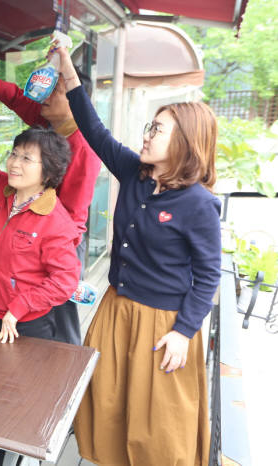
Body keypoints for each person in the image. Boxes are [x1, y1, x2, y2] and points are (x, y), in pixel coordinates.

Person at [52, 43, 221, 465]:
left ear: (184, 142)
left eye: (157, 130)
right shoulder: (134, 172)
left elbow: (208, 275)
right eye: (149, 126)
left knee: (158, 429)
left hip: (163, 323)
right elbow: (93, 130)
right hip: (116, 311)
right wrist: (69, 72)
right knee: (108, 408)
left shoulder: (199, 204)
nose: (146, 135)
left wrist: (184, 332)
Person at [0, 68, 101, 346]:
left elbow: (72, 218)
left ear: (77, 101)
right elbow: (18, 99)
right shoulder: (51, 125)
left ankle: (62, 371)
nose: (45, 97)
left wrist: (46, 244)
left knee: (57, 315)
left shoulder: (83, 147)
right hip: (30, 228)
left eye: (56, 91)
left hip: (59, 240)